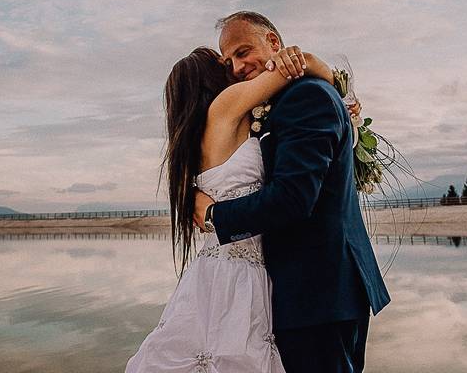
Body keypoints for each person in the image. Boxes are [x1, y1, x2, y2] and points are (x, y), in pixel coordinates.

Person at [125, 36, 337, 372]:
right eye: (225, 65)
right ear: (210, 79)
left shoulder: (197, 137)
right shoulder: (225, 106)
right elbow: (298, 66)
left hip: (215, 266)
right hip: (239, 273)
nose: (235, 69)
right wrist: (338, 87)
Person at [194, 11, 390, 373]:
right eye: (229, 61)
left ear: (273, 43)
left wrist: (212, 217)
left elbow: (293, 199)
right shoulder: (281, 101)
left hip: (319, 292)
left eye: (242, 51)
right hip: (307, 294)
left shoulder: (307, 97)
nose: (236, 67)